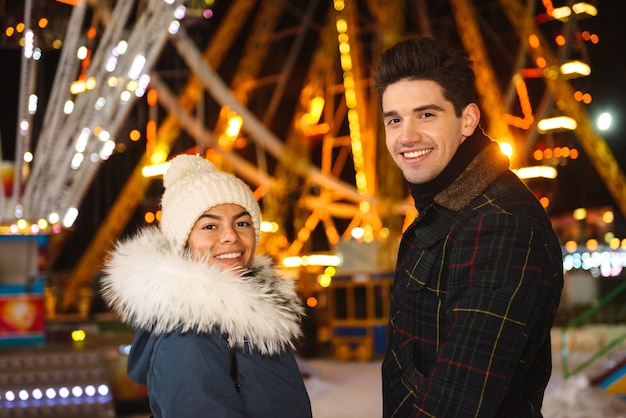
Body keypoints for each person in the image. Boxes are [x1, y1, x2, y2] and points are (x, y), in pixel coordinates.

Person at [373, 37, 564, 417]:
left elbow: (458, 401)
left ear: (468, 120)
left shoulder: (500, 225)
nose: (406, 136)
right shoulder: (448, 210)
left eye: (426, 115)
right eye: (394, 119)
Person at [100, 154, 312, 418]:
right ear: (182, 241)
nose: (231, 236)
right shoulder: (188, 337)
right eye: (210, 226)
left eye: (242, 223)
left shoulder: (253, 319)